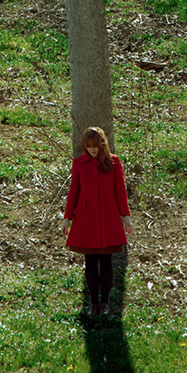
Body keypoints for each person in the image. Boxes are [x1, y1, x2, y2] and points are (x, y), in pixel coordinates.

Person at [62, 126, 131, 318]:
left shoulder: (114, 162)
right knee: (90, 263)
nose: (92, 150)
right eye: (89, 146)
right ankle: (93, 303)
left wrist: (126, 216)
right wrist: (67, 218)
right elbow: (73, 191)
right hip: (85, 220)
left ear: (102, 144)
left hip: (108, 219)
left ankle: (105, 303)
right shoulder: (79, 163)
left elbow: (120, 190)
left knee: (106, 262)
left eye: (95, 146)